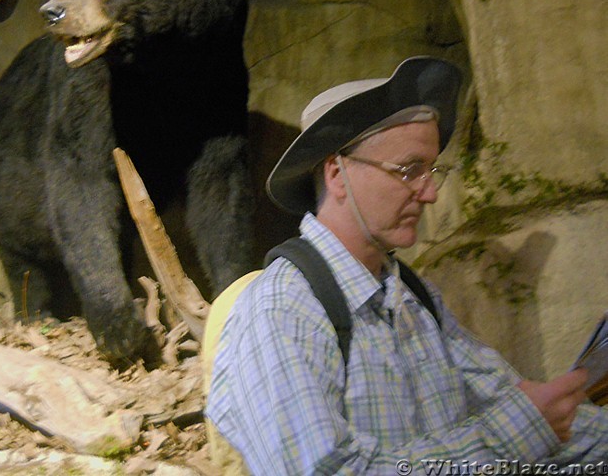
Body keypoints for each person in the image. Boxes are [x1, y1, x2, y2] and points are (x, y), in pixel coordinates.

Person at [205, 57, 608, 474]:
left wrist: (545, 417)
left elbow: (507, 398)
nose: (430, 193)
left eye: (431, 169)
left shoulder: (413, 296)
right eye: (409, 170)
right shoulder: (282, 308)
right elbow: (328, 469)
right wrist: (519, 432)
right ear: (337, 173)